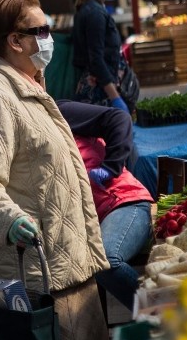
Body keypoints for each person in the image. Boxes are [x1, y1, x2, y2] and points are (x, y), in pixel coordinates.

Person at [0, 0, 110, 340]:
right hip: (42, 280)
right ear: (14, 40)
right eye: (40, 30)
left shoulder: (22, 83)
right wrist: (11, 222)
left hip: (67, 265)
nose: (49, 37)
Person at [57, 100, 153, 311]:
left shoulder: (58, 111)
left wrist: (111, 167)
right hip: (96, 221)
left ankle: (159, 314)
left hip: (125, 203)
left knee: (105, 261)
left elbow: (119, 118)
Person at [72, 0, 132, 113]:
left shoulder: (95, 9)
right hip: (100, 93)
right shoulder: (95, 14)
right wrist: (115, 97)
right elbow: (96, 59)